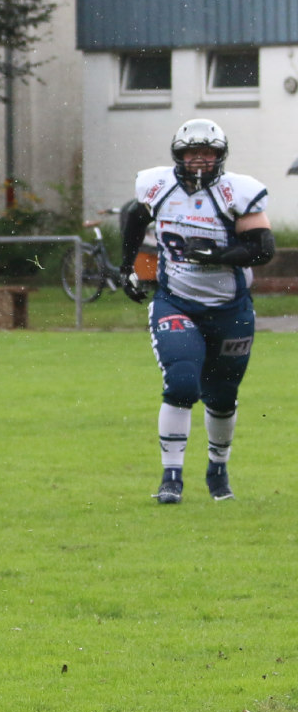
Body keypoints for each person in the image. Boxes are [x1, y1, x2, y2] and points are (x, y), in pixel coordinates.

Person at [119, 118, 274, 504]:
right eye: (192, 152)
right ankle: (171, 477)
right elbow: (135, 218)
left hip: (229, 307)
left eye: (207, 153)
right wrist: (129, 269)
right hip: (177, 301)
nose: (200, 160)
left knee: (222, 396)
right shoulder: (158, 186)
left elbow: (263, 248)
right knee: (183, 383)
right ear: (179, 155)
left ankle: (217, 469)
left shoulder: (236, 191)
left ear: (220, 156)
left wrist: (218, 255)